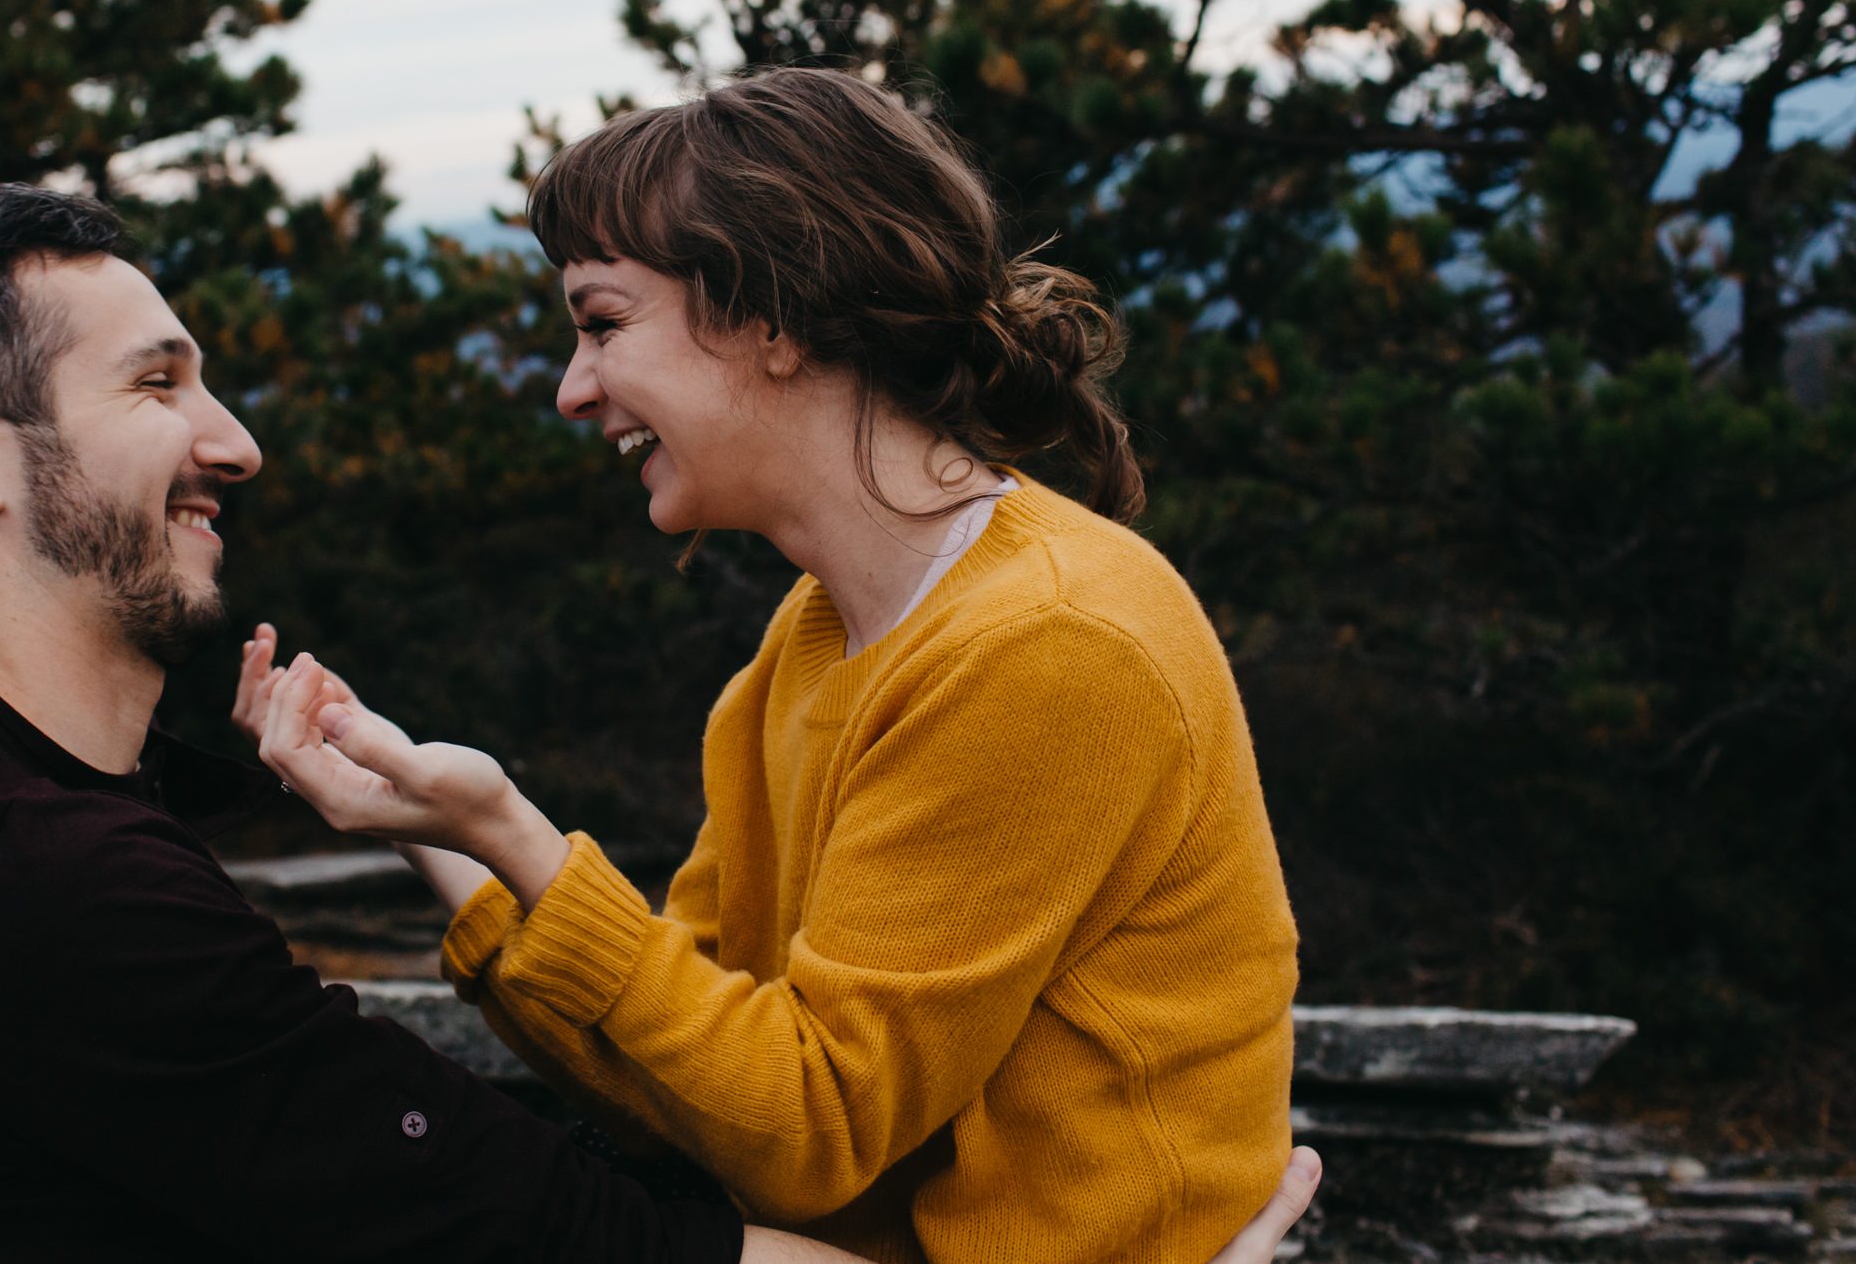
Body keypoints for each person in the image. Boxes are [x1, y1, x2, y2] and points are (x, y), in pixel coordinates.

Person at [0, 175, 1319, 1264]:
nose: (234, 440)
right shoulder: (70, 898)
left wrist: (470, 833)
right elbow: (651, 1229)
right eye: (160, 385)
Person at [253, 67, 1304, 1263]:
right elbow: (694, 1074)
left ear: (775, 317)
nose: (571, 387)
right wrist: (447, 833)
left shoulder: (1048, 642)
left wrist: (510, 829)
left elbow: (807, 1125)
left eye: (603, 323)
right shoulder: (810, 641)